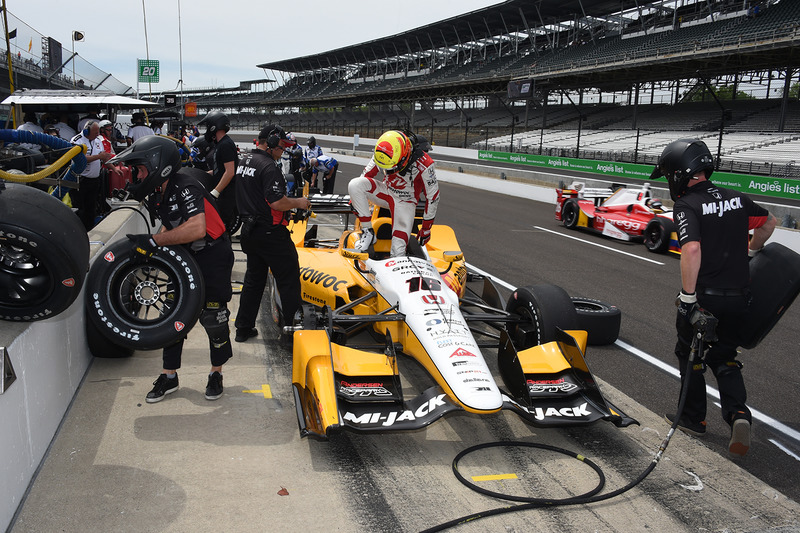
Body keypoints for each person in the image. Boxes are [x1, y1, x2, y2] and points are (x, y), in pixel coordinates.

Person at [651, 138, 777, 457]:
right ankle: (738, 415)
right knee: (725, 357)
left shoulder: (688, 204)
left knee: (689, 353)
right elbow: (769, 223)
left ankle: (694, 418)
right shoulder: (736, 198)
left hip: (706, 297)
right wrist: (751, 252)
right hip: (739, 297)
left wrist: (689, 297)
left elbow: (691, 248)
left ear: (680, 172)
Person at [108, 135, 235, 403]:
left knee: (214, 317)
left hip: (213, 254)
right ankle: (169, 376)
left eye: (141, 169)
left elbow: (197, 228)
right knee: (172, 315)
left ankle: (216, 373)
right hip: (188, 253)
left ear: (157, 165)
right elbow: (171, 225)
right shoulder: (159, 192)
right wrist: (151, 251)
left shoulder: (185, 186)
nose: (138, 175)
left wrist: (154, 240)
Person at [233, 125, 310, 341]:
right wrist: (300, 203)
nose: (283, 149)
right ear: (272, 142)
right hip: (270, 233)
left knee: (253, 281)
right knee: (288, 280)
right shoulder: (269, 166)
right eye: (282, 145)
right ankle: (291, 333)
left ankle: (243, 328)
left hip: (249, 231)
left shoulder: (244, 161)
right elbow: (277, 202)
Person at [348, 129, 439, 257]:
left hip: (406, 201)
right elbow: (367, 174)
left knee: (398, 251)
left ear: (405, 156)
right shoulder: (383, 151)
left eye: (392, 168)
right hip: (386, 192)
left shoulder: (425, 164)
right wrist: (354, 200)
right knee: (355, 185)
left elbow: (433, 196)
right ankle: (368, 232)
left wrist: (426, 228)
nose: (389, 172)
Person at [198, 111, 238, 232]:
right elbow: (220, 170)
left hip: (226, 196)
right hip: (223, 194)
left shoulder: (226, 144)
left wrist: (215, 192)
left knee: (221, 230)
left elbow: (230, 172)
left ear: (214, 126)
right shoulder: (220, 144)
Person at [71, 121, 113, 229]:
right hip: (80, 180)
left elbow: (104, 158)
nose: (97, 134)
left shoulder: (98, 141)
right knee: (81, 208)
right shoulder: (77, 141)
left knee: (91, 208)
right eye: (95, 132)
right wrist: (98, 157)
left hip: (94, 180)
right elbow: (80, 159)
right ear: (86, 131)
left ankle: (90, 229)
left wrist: (113, 168)